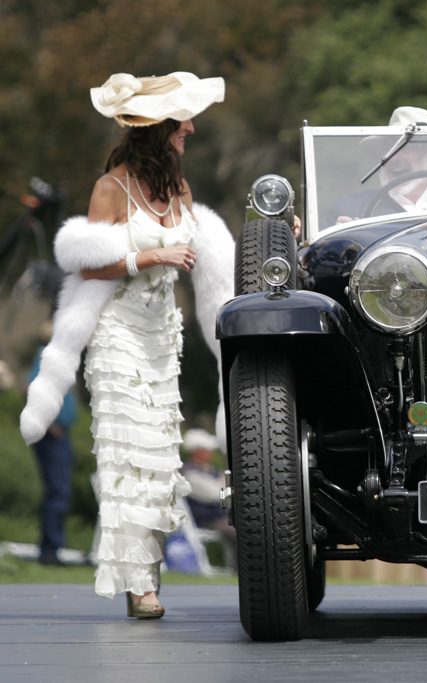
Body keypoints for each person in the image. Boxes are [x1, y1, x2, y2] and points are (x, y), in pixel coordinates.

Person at [20, 71, 235, 619]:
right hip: (117, 335)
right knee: (126, 452)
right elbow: (91, 267)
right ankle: (140, 586)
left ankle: (147, 572)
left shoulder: (178, 186)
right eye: (181, 120)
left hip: (164, 337)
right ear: (157, 129)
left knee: (160, 461)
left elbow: (206, 252)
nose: (190, 127)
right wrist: (149, 257)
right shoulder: (109, 188)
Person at [327, 106, 427, 225]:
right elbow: (313, 253)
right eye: (388, 148)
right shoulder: (351, 209)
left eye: (406, 147)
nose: (393, 157)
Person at [26, 322, 78, 566]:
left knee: (60, 491)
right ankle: (50, 550)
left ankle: (53, 546)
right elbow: (34, 389)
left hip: (58, 433)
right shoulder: (48, 358)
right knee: (57, 491)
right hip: (52, 434)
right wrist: (50, 421)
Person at [181, 428, 236, 569]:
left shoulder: (210, 470)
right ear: (197, 452)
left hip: (220, 517)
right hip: (207, 520)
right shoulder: (190, 475)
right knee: (238, 529)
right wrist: (225, 486)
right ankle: (238, 568)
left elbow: (224, 497)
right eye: (207, 450)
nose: (210, 453)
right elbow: (218, 495)